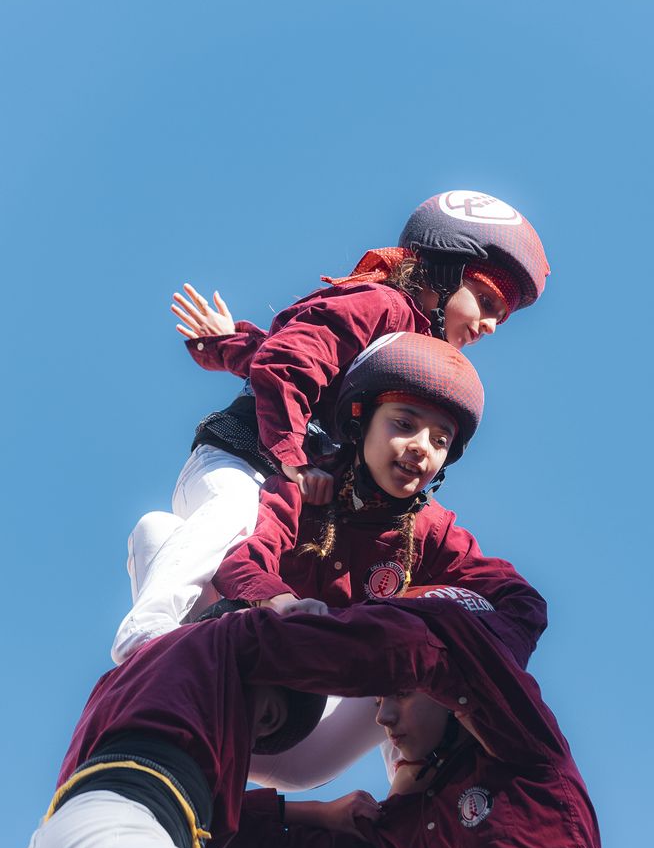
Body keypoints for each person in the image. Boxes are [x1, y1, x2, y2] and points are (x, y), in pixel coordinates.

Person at [2, 583, 542, 848]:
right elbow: (347, 649)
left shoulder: (132, 684)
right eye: (268, 716)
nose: (254, 737)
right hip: (111, 838)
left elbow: (240, 838)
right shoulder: (232, 638)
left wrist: (319, 813)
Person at [112, 189, 549, 663]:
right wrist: (295, 460)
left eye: (499, 318)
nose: (489, 325)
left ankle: (196, 652)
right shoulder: (383, 305)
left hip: (285, 473)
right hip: (243, 456)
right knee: (231, 516)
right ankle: (145, 631)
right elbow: (286, 363)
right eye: (484, 301)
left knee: (189, 544)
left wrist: (228, 341)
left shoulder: (411, 345)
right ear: (444, 272)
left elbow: (294, 359)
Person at [223, 587, 654, 848]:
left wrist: (321, 624)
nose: (384, 718)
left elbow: (444, 642)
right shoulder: (399, 828)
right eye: (377, 703)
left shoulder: (523, 749)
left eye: (399, 694)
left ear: (445, 694)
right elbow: (249, 845)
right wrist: (320, 813)